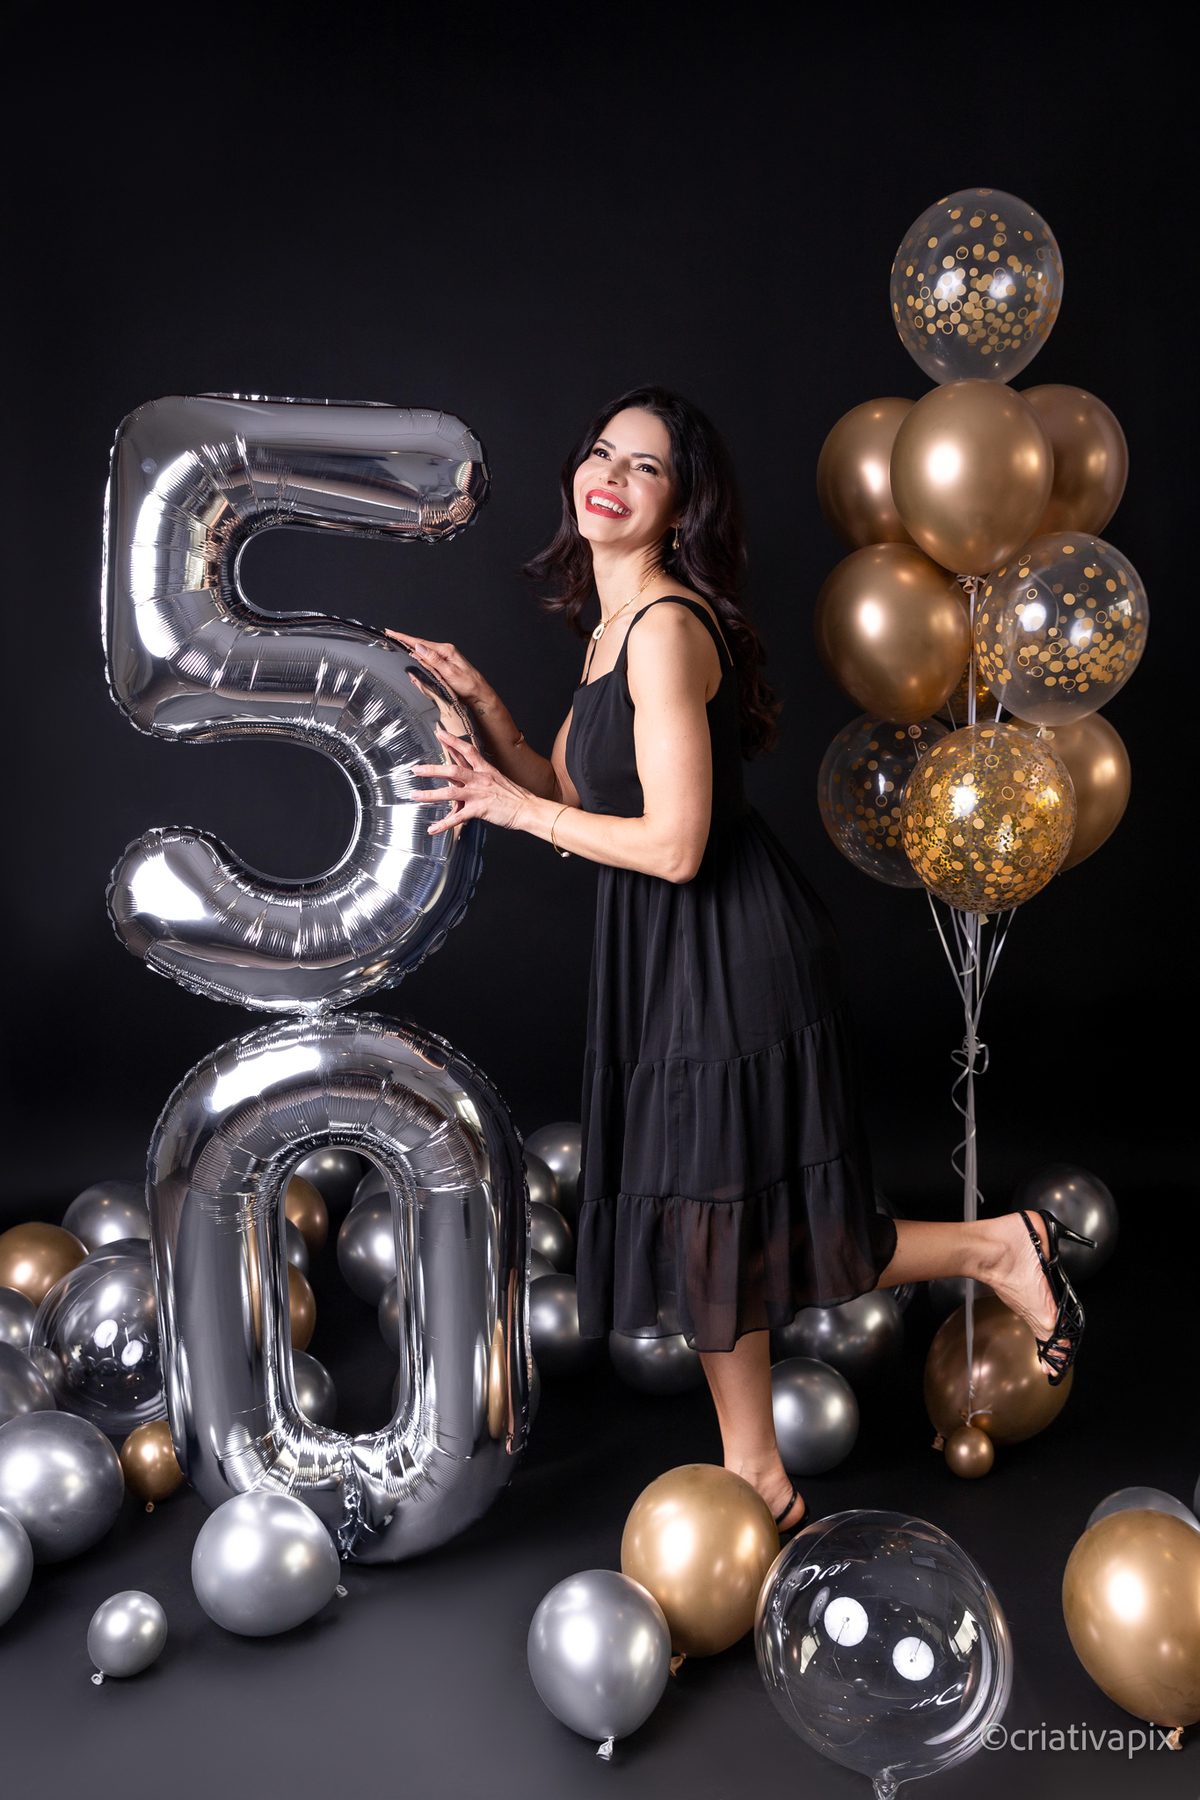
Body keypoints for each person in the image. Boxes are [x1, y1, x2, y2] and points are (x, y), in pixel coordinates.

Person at [393, 385, 1089, 1533]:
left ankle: (965, 1277)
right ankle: (783, 1445)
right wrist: (486, 708)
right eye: (602, 452)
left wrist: (509, 810)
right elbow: (574, 793)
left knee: (736, 1227)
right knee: (724, 1229)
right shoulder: (613, 628)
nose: (613, 474)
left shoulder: (666, 631)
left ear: (682, 507)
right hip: (670, 956)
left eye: (648, 466)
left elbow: (672, 846)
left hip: (728, 950)